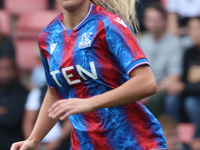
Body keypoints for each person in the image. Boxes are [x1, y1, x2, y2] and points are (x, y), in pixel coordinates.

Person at [11, 0, 167, 150]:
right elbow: (55, 93)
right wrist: (33, 140)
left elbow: (147, 83)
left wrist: (90, 102)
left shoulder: (108, 24)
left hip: (135, 142)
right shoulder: (47, 37)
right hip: (86, 145)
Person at [140, 2, 183, 118]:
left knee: (166, 99)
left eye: (157, 19)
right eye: (150, 19)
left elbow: (174, 76)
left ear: (164, 21)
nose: (154, 23)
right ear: (145, 22)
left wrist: (150, 92)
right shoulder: (141, 43)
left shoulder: (174, 42)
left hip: (164, 87)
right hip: (145, 86)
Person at [164, 17, 200, 149]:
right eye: (191, 29)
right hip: (190, 92)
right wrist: (178, 86)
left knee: (191, 103)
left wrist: (184, 86)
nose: (194, 32)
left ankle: (197, 139)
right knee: (171, 99)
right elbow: (184, 79)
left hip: (194, 96)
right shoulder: (189, 52)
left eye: (197, 28)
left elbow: (185, 84)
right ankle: (175, 138)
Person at [23, 85, 71, 150]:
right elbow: (28, 120)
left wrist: (59, 140)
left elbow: (71, 117)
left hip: (61, 143)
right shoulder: (38, 92)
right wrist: (32, 141)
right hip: (39, 143)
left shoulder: (69, 91)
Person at [0, 56, 28, 149]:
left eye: (9, 69)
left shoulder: (23, 93)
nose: (5, 73)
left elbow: (12, 120)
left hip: (13, 144)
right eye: (1, 69)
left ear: (15, 71)